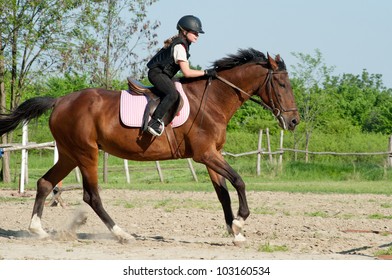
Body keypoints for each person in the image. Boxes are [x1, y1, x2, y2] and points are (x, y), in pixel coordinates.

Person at [146, 15, 216, 136]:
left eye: (198, 33)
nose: (197, 36)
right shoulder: (180, 46)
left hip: (163, 74)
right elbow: (187, 72)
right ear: (184, 31)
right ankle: (154, 122)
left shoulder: (182, 44)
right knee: (172, 94)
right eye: (194, 32)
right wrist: (205, 72)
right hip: (156, 74)